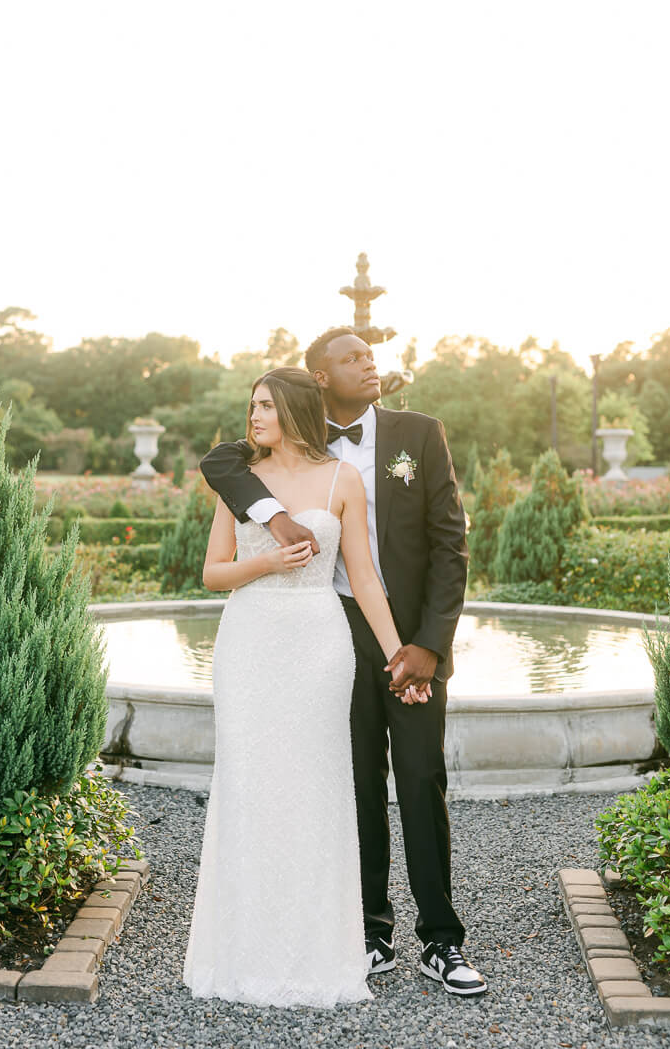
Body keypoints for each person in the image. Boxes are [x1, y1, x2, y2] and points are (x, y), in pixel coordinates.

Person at [200, 328, 487, 997]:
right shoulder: (260, 453)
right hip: (320, 633)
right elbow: (219, 466)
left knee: (420, 778)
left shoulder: (417, 435)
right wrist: (274, 521)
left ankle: (441, 941)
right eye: (353, 358)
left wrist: (426, 646)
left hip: (403, 628)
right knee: (346, 782)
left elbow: (451, 545)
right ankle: (365, 933)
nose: (370, 363)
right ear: (319, 379)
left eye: (369, 354)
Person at [183, 366, 426, 1008]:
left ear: (292, 410)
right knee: (250, 785)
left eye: (264, 405)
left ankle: (320, 952)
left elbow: (365, 579)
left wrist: (397, 651)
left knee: (317, 787)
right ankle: (243, 952)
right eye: (251, 405)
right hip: (250, 644)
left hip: (319, 646)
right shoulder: (238, 478)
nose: (253, 416)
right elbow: (211, 573)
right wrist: (265, 561)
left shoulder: (343, 479)